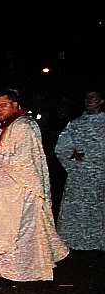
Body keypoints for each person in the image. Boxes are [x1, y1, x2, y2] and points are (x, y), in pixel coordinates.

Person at [0, 89, 68, 287]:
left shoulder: (24, 126)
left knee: (15, 235)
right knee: (1, 231)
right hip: (9, 189)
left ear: (15, 105)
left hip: (21, 191)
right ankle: (4, 274)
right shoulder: (13, 126)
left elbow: (24, 162)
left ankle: (18, 276)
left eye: (3, 106)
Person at [54, 90, 104, 251]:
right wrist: (73, 162)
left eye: (94, 98)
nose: (90, 101)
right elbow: (61, 147)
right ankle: (74, 243)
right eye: (87, 98)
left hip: (100, 175)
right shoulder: (75, 124)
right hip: (79, 175)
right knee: (77, 212)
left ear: (102, 101)